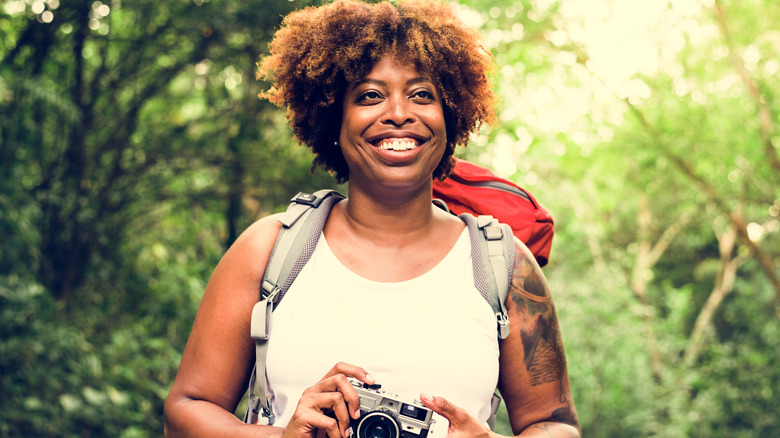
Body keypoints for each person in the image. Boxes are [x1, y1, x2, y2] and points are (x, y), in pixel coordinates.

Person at [164, 0, 580, 437]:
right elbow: (186, 410)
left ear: (450, 115)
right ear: (333, 119)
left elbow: (557, 425)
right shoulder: (270, 250)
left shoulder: (505, 266)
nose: (399, 113)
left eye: (421, 94)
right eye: (369, 96)